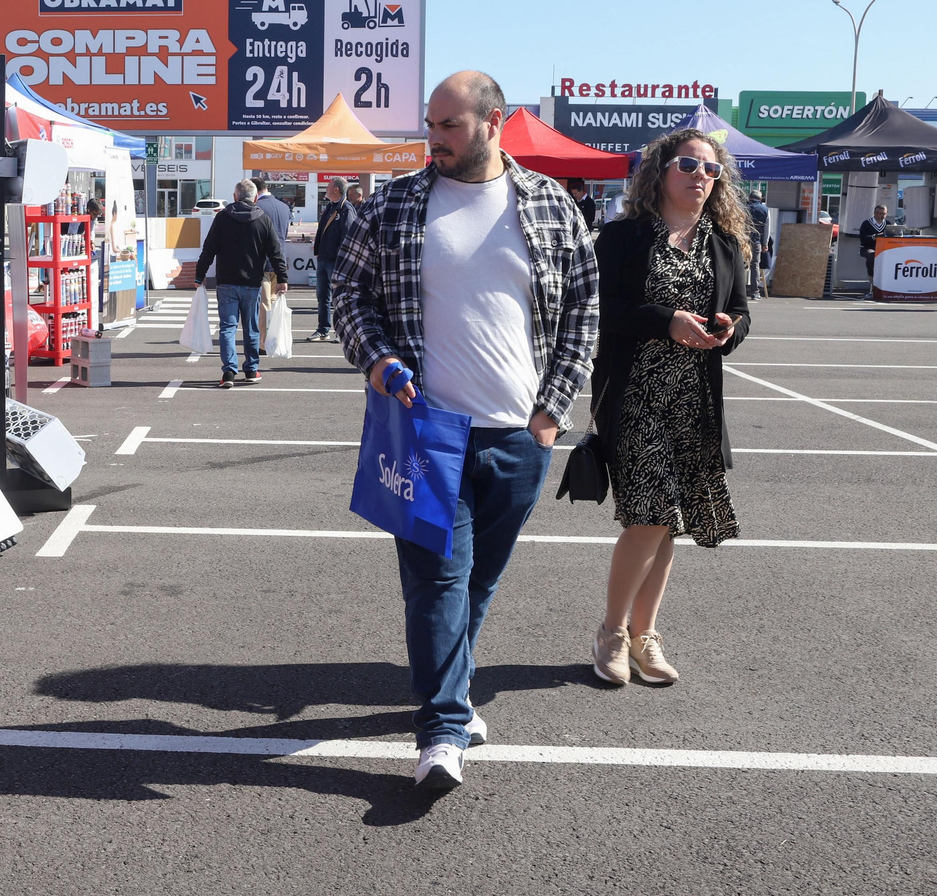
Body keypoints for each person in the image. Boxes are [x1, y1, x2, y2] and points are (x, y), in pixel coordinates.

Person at [332, 71, 598, 791]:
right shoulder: (394, 203)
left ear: (493, 122)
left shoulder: (548, 203)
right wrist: (377, 358)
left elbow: (584, 307)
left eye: (449, 125)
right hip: (425, 431)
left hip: (520, 435)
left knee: (478, 580)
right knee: (438, 581)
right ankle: (442, 729)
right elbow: (348, 293)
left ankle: (454, 687)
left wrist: (552, 412)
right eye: (431, 124)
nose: (435, 138)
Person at [589, 128, 751, 689]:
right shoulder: (624, 236)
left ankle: (645, 635)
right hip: (635, 395)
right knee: (650, 516)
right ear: (660, 172)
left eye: (711, 169)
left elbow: (741, 313)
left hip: (694, 402)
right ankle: (613, 633)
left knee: (666, 526)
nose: (700, 176)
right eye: (688, 165)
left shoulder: (724, 243)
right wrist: (667, 321)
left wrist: (728, 330)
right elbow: (602, 308)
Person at [194, 179, 289, 389]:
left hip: (226, 281)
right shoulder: (263, 219)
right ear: (255, 198)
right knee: (251, 327)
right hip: (252, 283)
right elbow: (276, 252)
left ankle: (229, 371)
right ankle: (251, 369)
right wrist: (282, 278)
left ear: (235, 196)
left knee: (227, 327)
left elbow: (208, 249)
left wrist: (199, 275)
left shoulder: (222, 218)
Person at [309, 177, 352, 341]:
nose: (326, 188)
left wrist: (341, 260)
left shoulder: (346, 209)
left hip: (335, 261)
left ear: (336, 189)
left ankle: (341, 331)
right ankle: (323, 329)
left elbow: (347, 238)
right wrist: (318, 250)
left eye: (328, 185)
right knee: (322, 297)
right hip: (323, 259)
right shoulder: (330, 207)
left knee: (339, 297)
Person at [253, 179, 292, 332]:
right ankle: (275, 337)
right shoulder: (284, 207)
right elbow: (284, 233)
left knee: (264, 303)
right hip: (279, 259)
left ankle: (263, 340)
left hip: (262, 261)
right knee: (274, 301)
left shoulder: (257, 207)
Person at [746, 190, 769, 298]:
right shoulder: (765, 209)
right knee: (755, 265)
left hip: (742, 240)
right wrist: (765, 243)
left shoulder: (743, 208)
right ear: (760, 199)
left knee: (738, 264)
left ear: (749, 197)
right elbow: (767, 228)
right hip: (756, 240)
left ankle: (735, 291)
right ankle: (755, 292)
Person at [858, 203, 888, 284]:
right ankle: (871, 276)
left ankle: (887, 278)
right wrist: (875, 236)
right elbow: (863, 239)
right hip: (868, 247)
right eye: (881, 214)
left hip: (884, 248)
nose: (883, 216)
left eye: (884, 214)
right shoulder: (866, 224)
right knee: (872, 255)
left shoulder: (888, 224)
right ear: (875, 213)